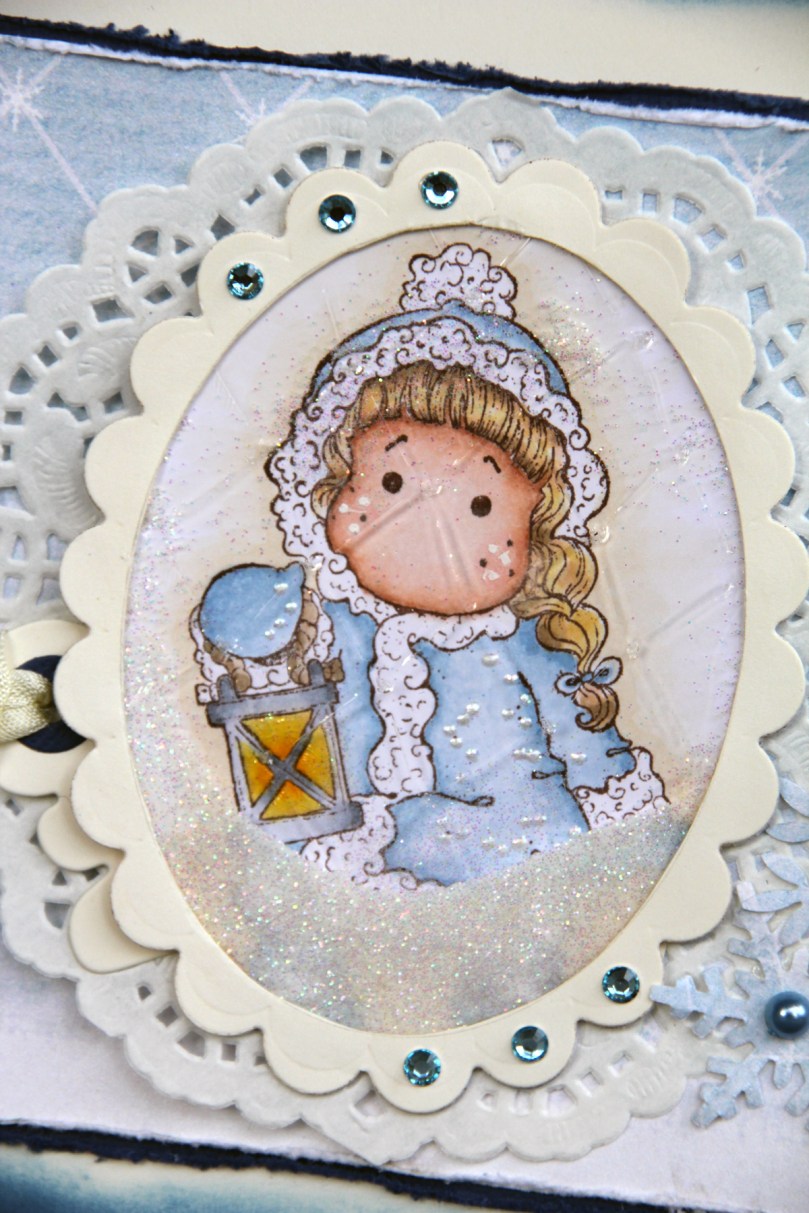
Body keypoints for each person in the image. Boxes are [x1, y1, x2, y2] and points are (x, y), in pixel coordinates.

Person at [258, 244, 668, 886]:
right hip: (364, 869)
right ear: (332, 485)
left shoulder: (522, 642)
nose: (430, 519)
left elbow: (589, 749)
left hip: (525, 860)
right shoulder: (326, 627)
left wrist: (627, 829)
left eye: (480, 504)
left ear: (535, 534)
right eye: (391, 483)